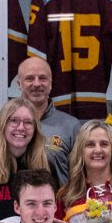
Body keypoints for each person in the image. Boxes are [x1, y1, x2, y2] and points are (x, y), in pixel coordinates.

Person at [18, 56, 82, 184]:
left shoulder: (71, 127)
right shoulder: (0, 124)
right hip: (14, 203)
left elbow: (80, 179)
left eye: (43, 78)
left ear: (51, 84)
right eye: (29, 78)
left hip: (58, 202)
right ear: (19, 84)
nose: (37, 84)